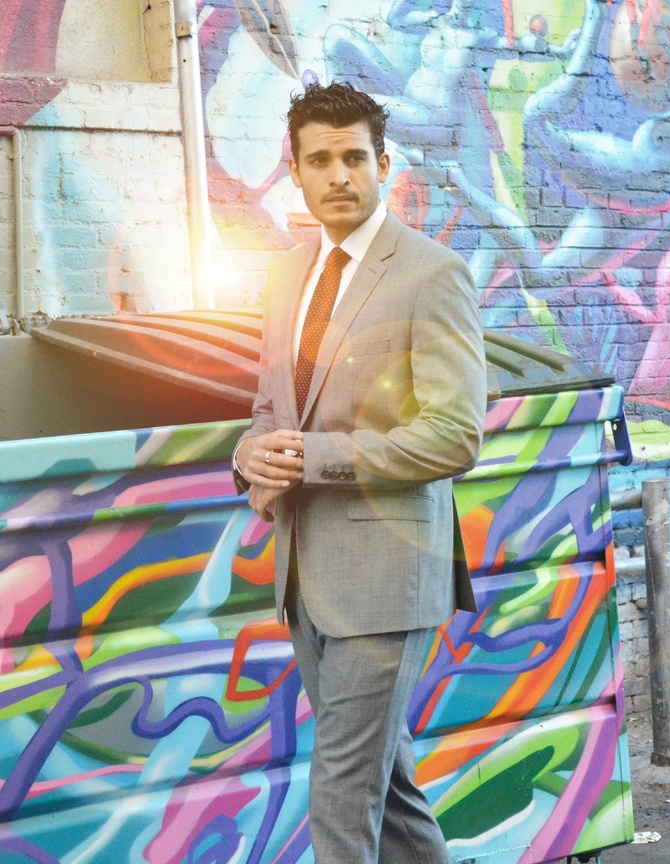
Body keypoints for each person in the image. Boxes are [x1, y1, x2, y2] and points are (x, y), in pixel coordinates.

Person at [232, 80, 487, 864]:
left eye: (353, 157)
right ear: (296, 171)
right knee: (389, 792)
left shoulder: (431, 274)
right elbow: (272, 408)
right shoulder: (285, 275)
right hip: (304, 575)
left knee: (342, 797)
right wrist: (249, 456)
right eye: (320, 160)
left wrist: (316, 458)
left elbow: (454, 435)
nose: (338, 175)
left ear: (383, 164)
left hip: (387, 576)